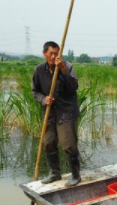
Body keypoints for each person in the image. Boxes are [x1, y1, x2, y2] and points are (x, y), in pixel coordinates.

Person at [32, 41, 81, 187]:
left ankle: (76, 175)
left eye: (56, 53)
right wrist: (43, 99)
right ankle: (55, 173)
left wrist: (63, 70)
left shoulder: (67, 66)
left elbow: (74, 87)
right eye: (51, 53)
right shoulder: (39, 70)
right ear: (44, 53)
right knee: (48, 142)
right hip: (49, 112)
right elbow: (35, 91)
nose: (53, 56)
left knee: (68, 145)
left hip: (66, 112)